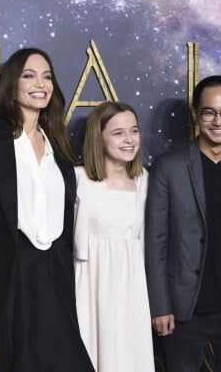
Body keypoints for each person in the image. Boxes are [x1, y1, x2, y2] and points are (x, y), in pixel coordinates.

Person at [0, 48, 94, 372]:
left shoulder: (58, 146)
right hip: (6, 273)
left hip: (53, 272)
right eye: (29, 75)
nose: (40, 83)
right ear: (11, 85)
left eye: (47, 76)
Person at [145, 75, 221, 372]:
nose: (218, 121)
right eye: (209, 112)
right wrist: (161, 305)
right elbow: (156, 241)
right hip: (182, 308)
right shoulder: (168, 167)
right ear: (195, 114)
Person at [73, 101, 155, 371]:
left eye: (134, 131)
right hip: (89, 283)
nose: (129, 139)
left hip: (131, 285)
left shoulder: (145, 180)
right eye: (119, 133)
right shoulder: (78, 179)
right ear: (99, 137)